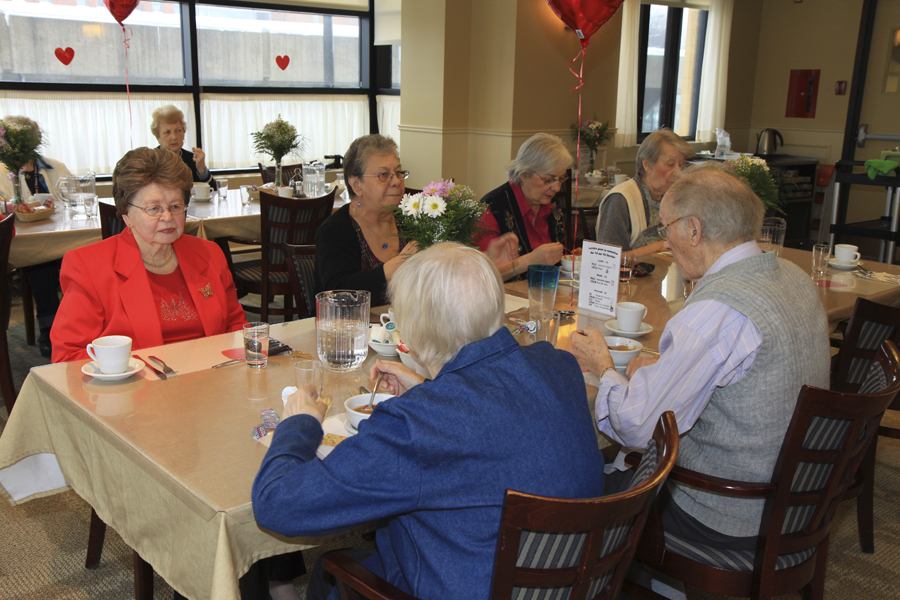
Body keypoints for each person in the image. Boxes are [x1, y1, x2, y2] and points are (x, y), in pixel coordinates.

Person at [253, 243, 605, 600]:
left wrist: (298, 423)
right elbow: (493, 418)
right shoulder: (558, 365)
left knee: (330, 571)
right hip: (569, 582)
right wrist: (431, 390)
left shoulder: (415, 425)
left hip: (470, 583)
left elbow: (276, 504)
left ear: (413, 333)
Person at [571, 164, 830, 555]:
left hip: (729, 512)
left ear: (694, 229)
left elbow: (637, 426)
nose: (664, 242)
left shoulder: (716, 311)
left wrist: (604, 365)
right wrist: (660, 373)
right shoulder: (793, 276)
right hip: (803, 499)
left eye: (666, 228)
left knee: (575, 488)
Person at [51, 147, 247, 362]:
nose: (167, 217)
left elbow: (235, 325)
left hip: (212, 378)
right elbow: (68, 357)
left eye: (175, 206)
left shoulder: (208, 254)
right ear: (126, 213)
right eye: (154, 208)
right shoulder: (88, 266)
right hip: (136, 388)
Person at [0, 115, 73, 357]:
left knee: (80, 257)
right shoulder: (3, 170)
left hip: (62, 236)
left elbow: (72, 199)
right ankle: (50, 327)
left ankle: (77, 322)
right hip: (26, 243)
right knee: (41, 263)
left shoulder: (55, 166)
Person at [475, 132, 569, 280]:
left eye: (561, 178)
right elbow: (479, 274)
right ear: (523, 174)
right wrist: (530, 261)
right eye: (548, 180)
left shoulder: (551, 207)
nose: (557, 188)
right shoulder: (493, 207)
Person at [595, 128, 693, 256]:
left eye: (681, 165)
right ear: (647, 165)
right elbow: (609, 260)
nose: (679, 173)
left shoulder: (675, 196)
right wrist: (659, 246)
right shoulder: (620, 199)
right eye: (670, 164)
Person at [150, 104, 214, 187]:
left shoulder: (193, 159)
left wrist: (202, 169)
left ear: (184, 133)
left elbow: (213, 190)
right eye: (167, 132)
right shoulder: (151, 160)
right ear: (158, 137)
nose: (174, 137)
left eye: (178, 130)